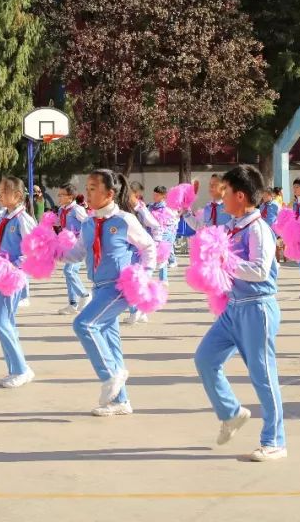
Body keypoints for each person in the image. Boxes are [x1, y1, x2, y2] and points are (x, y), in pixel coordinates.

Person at [194, 165, 286, 462]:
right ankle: (231, 413)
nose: (222, 198)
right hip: (233, 308)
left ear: (241, 195)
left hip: (257, 308)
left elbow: (260, 271)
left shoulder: (259, 229)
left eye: (226, 192)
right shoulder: (233, 225)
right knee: (205, 359)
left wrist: (224, 263)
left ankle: (274, 441)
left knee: (262, 375)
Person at [61, 169, 156, 417]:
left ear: (109, 193)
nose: (87, 193)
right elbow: (79, 253)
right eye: (87, 187)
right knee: (111, 343)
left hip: (118, 286)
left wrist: (143, 275)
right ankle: (120, 402)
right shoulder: (89, 222)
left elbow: (148, 246)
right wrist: (52, 252)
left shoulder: (125, 220)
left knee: (84, 324)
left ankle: (110, 375)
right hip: (98, 286)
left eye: (93, 188)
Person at [0, 176, 38, 387]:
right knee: (6, 324)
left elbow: (33, 249)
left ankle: (21, 369)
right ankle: (14, 369)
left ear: (17, 195)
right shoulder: (4, 218)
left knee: (2, 322)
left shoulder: (23, 219)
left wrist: (14, 265)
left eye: (3, 192)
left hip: (11, 278)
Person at [125, 180, 162, 325]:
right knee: (132, 282)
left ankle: (137, 312)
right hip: (128, 249)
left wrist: (157, 243)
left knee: (136, 282)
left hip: (139, 251)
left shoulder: (141, 209)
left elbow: (155, 226)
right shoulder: (125, 208)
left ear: (136, 194)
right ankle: (139, 312)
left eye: (131, 195)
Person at [56, 184, 90, 315]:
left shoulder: (77, 210)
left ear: (70, 197)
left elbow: (88, 224)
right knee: (68, 273)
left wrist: (82, 240)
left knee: (69, 271)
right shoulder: (62, 210)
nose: (59, 197)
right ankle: (72, 304)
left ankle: (85, 295)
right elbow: (60, 224)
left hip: (78, 246)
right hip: (67, 246)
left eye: (61, 195)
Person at [149, 185, 178, 279]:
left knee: (162, 257)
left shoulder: (168, 208)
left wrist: (167, 235)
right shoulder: (151, 207)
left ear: (163, 196)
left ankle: (163, 279)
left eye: (157, 195)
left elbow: (174, 221)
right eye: (154, 194)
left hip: (164, 234)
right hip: (153, 234)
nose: (154, 197)